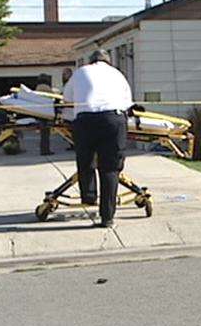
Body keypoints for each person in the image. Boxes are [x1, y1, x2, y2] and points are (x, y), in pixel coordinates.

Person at [63, 50, 133, 228]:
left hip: (85, 120)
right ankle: (107, 217)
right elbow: (127, 103)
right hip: (113, 120)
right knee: (110, 169)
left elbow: (67, 99)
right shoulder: (118, 74)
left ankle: (89, 197)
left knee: (85, 161)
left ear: (91, 60)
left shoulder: (80, 72)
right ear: (108, 62)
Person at [35, 74, 56, 156]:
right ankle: (45, 150)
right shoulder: (44, 87)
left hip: (41, 112)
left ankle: (44, 149)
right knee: (45, 133)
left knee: (43, 133)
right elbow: (52, 95)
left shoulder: (38, 87)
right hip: (45, 113)